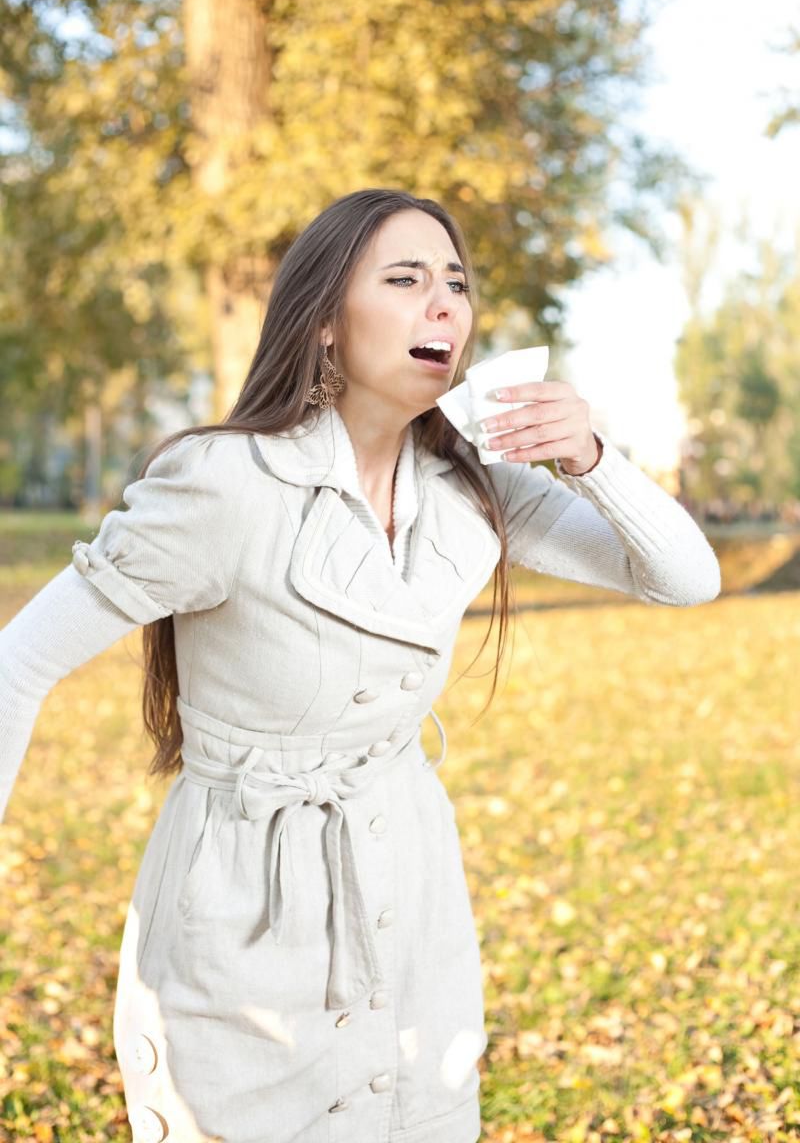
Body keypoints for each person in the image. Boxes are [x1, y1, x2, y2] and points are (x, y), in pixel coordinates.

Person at [0, 188, 721, 1143]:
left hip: (408, 882)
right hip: (244, 908)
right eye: (407, 278)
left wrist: (592, 457)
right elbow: (19, 663)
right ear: (326, 323)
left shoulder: (475, 488)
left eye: (456, 283)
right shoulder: (225, 483)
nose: (444, 304)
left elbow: (687, 578)